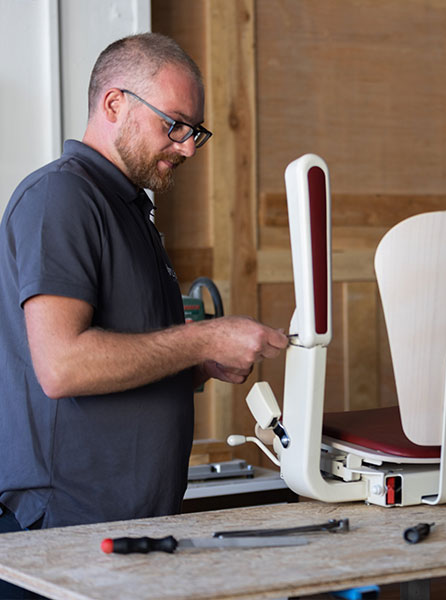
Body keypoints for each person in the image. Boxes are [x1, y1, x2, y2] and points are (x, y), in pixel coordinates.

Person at [0, 32, 287, 596]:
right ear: (114, 105)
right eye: (173, 124)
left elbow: (125, 352)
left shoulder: (128, 208)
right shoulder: (62, 198)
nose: (186, 147)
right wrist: (203, 339)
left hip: (126, 530)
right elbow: (62, 366)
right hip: (66, 536)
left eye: (195, 132)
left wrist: (198, 362)